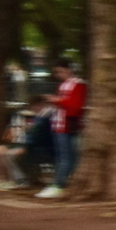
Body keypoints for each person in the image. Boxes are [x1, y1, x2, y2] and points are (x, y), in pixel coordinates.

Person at [41, 59, 86, 197]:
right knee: (64, 156)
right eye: (56, 72)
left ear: (69, 70)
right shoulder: (63, 85)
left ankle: (58, 184)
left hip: (68, 126)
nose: (58, 74)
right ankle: (62, 182)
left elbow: (75, 107)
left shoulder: (78, 85)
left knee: (66, 157)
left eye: (60, 71)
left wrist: (57, 101)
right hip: (59, 125)